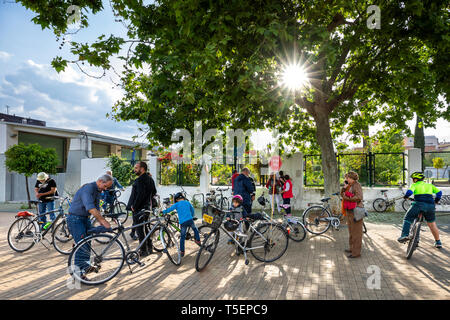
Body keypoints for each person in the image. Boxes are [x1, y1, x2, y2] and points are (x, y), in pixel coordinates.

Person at [66, 175, 113, 279]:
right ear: (100, 181)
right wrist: (102, 220)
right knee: (82, 245)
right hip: (75, 219)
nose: (105, 189)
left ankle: (85, 267)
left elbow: (96, 208)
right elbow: (90, 207)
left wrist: (100, 220)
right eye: (105, 186)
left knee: (87, 243)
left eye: (107, 188)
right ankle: (78, 274)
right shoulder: (88, 188)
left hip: (84, 219)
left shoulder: (97, 190)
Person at [397, 172, 442, 248]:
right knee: (432, 224)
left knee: (407, 218)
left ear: (415, 179)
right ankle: (438, 242)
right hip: (430, 206)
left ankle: (404, 235)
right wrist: (436, 200)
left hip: (418, 204)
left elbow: (409, 192)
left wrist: (406, 196)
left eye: (413, 179)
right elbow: (439, 193)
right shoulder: (430, 185)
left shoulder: (414, 185)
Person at [127, 161, 157, 256]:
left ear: (142, 169)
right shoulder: (150, 179)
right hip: (147, 207)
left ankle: (143, 251)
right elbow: (154, 192)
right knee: (146, 228)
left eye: (136, 168)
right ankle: (149, 247)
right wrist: (147, 200)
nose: (134, 170)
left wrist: (134, 206)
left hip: (139, 209)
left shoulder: (140, 180)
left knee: (140, 230)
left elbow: (140, 194)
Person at [162, 192, 201, 257]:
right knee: (195, 229)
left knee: (182, 237)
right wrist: (191, 215)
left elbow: (170, 209)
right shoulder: (187, 202)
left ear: (176, 199)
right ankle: (198, 240)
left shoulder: (176, 204)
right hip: (190, 220)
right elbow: (192, 210)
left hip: (183, 222)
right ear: (183, 198)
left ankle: (182, 251)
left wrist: (163, 212)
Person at [340, 171, 364, 259]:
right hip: (350, 211)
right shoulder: (349, 185)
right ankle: (352, 248)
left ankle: (356, 253)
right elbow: (342, 193)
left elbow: (359, 197)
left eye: (347, 178)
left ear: (351, 178)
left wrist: (346, 197)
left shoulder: (357, 185)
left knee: (357, 233)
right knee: (351, 231)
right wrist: (344, 188)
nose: (346, 179)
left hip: (356, 211)